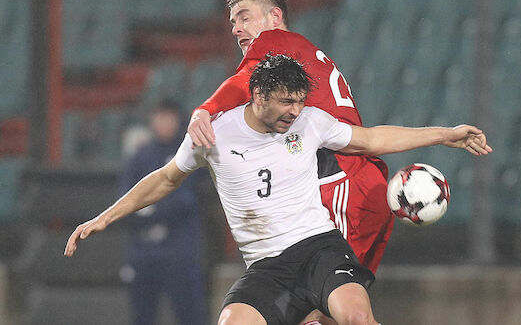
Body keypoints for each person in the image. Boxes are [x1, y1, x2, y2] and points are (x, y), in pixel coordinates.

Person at [65, 54, 492, 325]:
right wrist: (104, 218)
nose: (295, 110)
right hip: (266, 268)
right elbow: (164, 179)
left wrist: (443, 134)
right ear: (257, 94)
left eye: (300, 101)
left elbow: (373, 139)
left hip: (319, 248)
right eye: (286, 101)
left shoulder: (310, 122)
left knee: (357, 317)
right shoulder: (214, 134)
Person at [188, 0, 393, 278]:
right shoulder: (300, 51)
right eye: (233, 22)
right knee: (338, 307)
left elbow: (246, 80)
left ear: (275, 16)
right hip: (358, 181)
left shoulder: (274, 41)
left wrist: (205, 109)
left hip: (341, 181)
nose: (236, 29)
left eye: (244, 18)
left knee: (322, 301)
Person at [119, 100, 210, 324]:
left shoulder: (190, 153)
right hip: (144, 251)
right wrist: (153, 210)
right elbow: (126, 201)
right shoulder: (140, 158)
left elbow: (183, 201)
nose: (163, 122)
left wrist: (150, 209)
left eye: (168, 117)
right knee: (142, 314)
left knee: (190, 314)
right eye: (159, 116)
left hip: (180, 251)